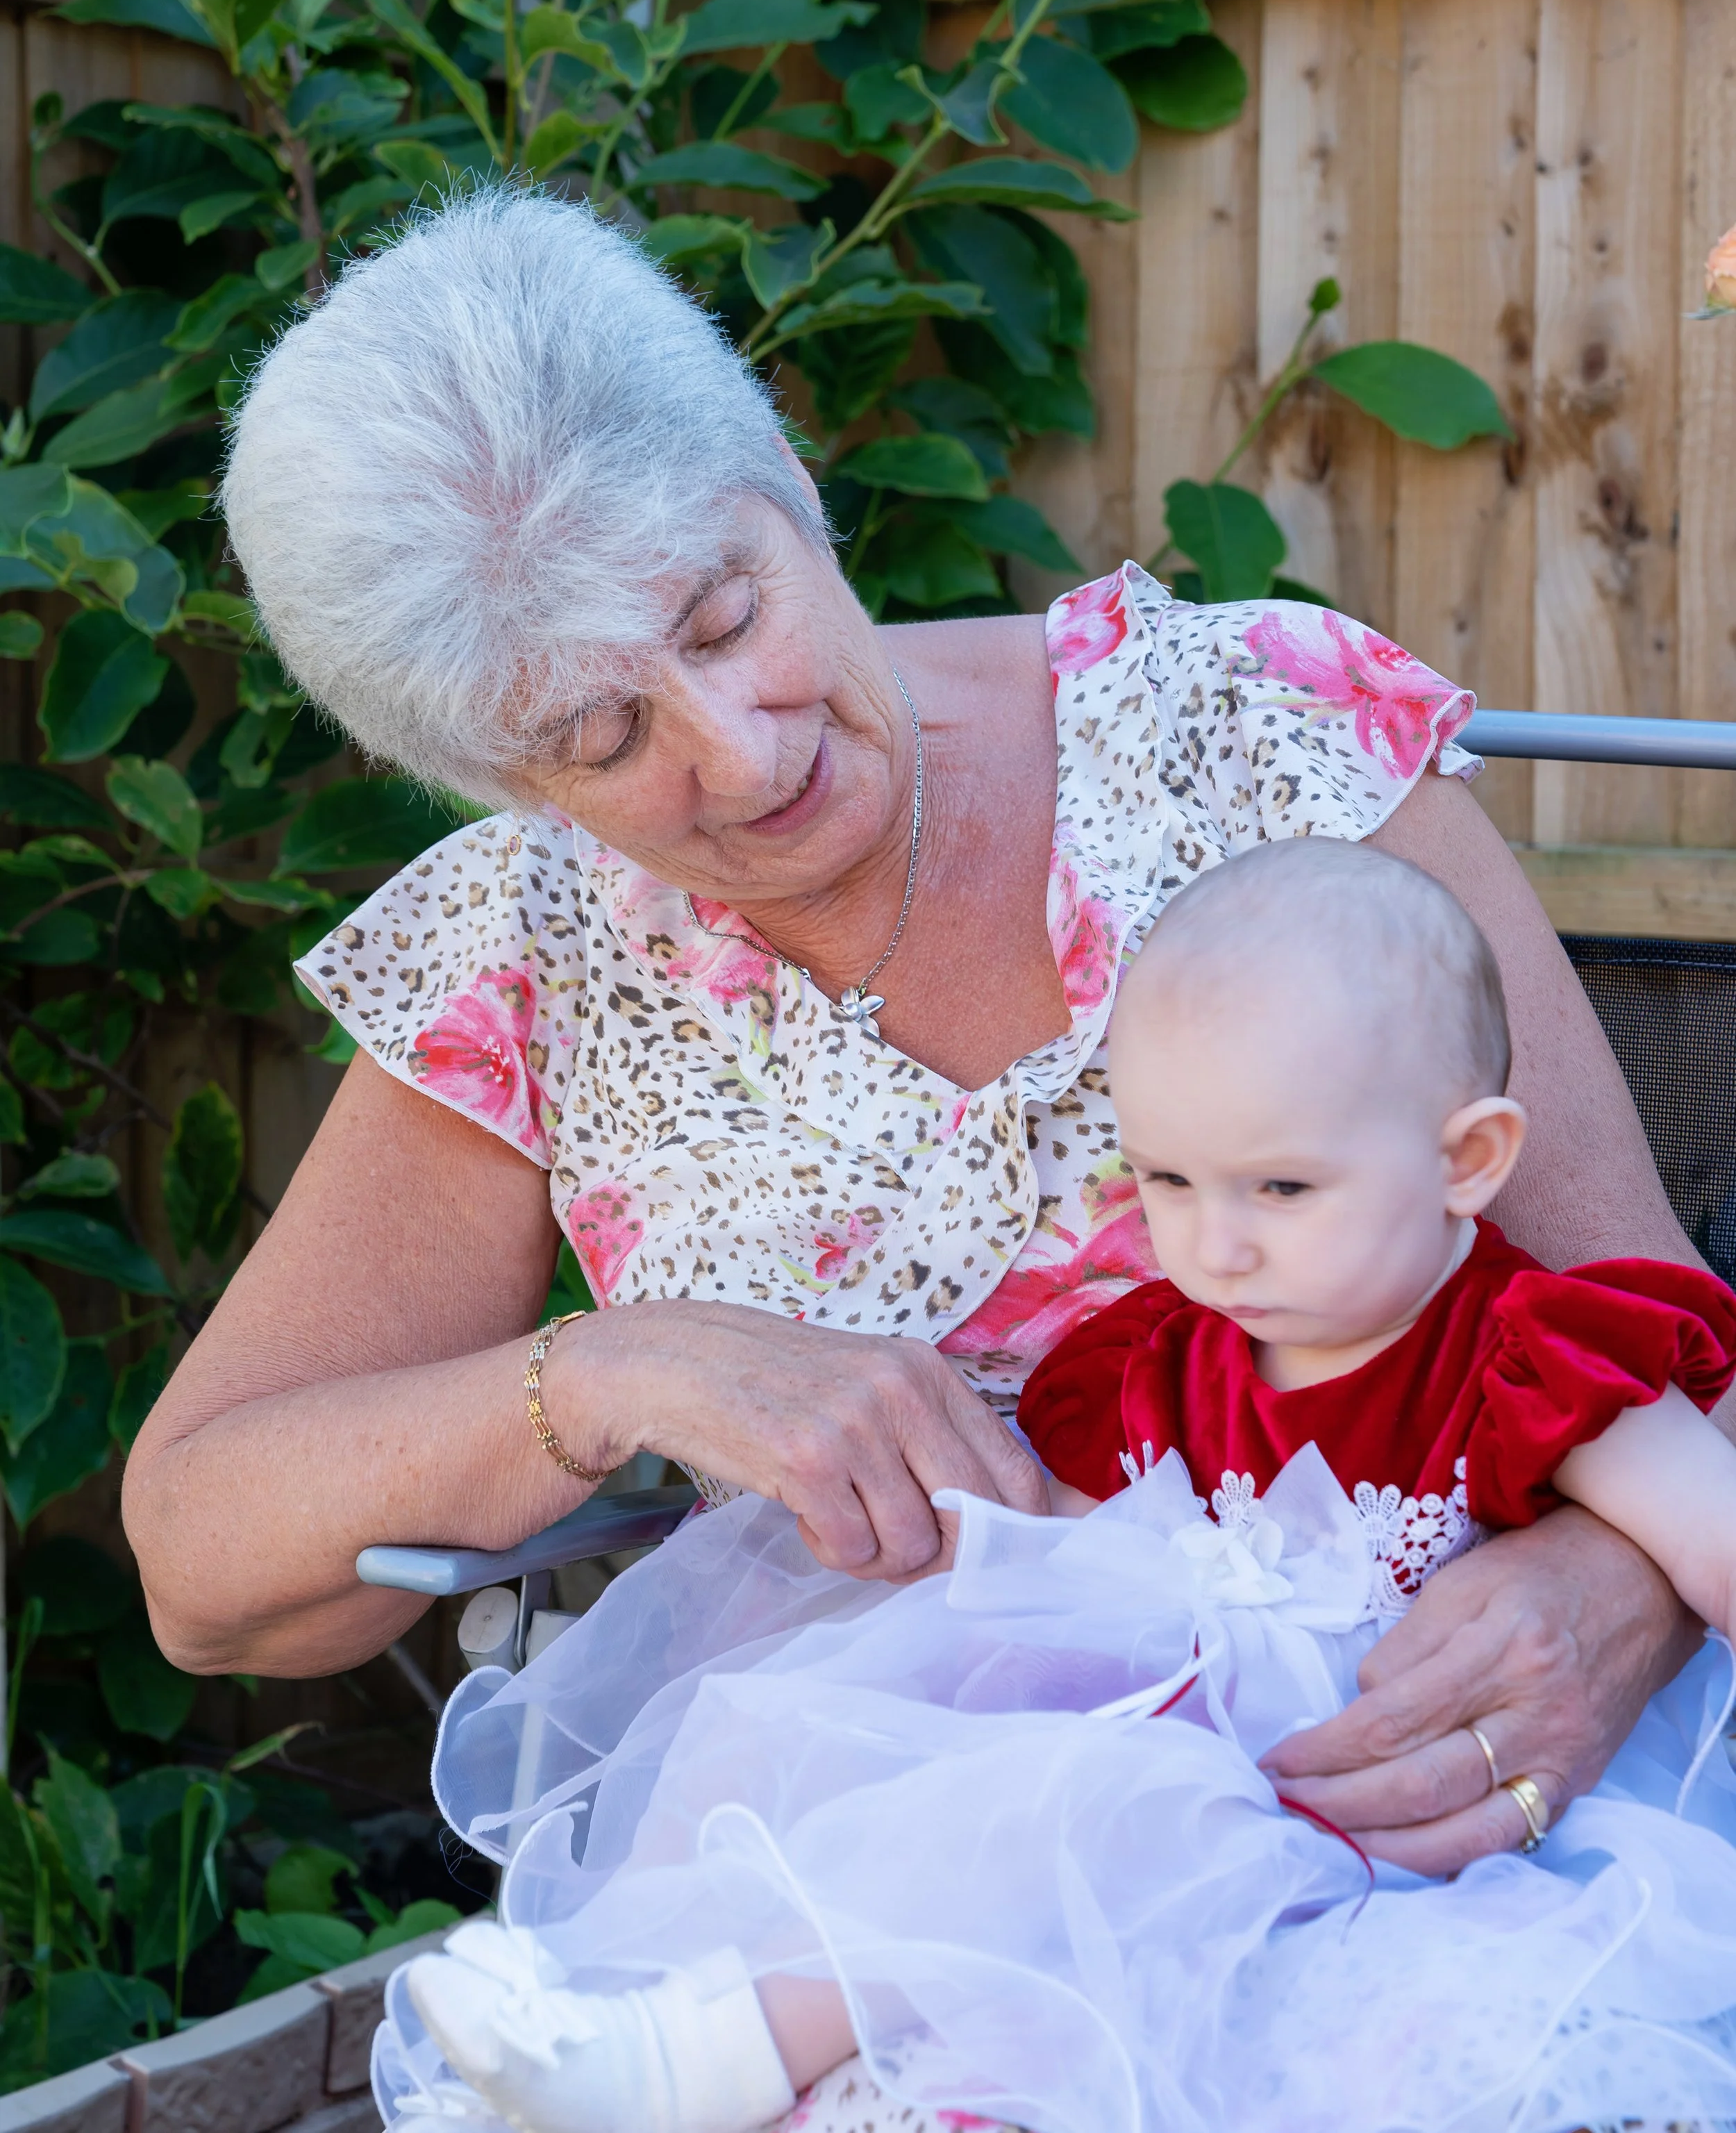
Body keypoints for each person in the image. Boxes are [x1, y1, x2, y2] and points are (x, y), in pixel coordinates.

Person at [121, 186, 1714, 2133]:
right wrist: (626, 1364)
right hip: (866, 1862)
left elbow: (1652, 1321)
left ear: (784, 472)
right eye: (604, 732)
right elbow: (202, 1558)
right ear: (501, 778)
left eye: (726, 610)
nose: (740, 746)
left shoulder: (1247, 727)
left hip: (1418, 1761)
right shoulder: (525, 949)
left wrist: (1619, 1585)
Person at [389, 841, 1736, 2133]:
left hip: (1382, 1821)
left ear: (1465, 1160)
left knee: (1092, 1812)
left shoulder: (1520, 1357)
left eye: (1280, 1186)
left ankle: (690, 2068)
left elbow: (1713, 1534)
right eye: (1166, 1179)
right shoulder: (1157, 1362)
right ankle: (619, 2012)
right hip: (1187, 1784)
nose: (1216, 1242)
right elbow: (1073, 1569)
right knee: (850, 1733)